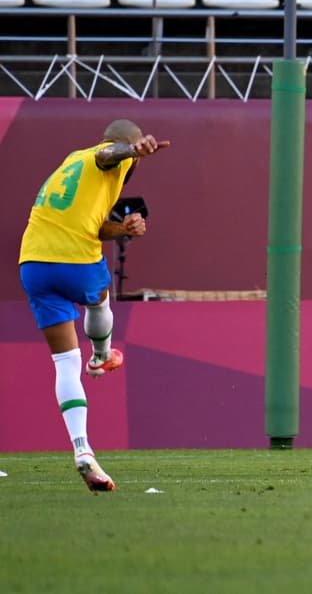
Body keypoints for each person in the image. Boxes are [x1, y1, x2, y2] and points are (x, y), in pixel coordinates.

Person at [19, 120, 170, 492]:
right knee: (100, 297)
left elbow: (95, 225)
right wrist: (132, 150)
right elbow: (108, 154)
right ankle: (102, 354)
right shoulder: (111, 159)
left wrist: (123, 229)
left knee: (64, 363)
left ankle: (82, 450)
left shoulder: (75, 160)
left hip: (34, 264)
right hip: (75, 261)